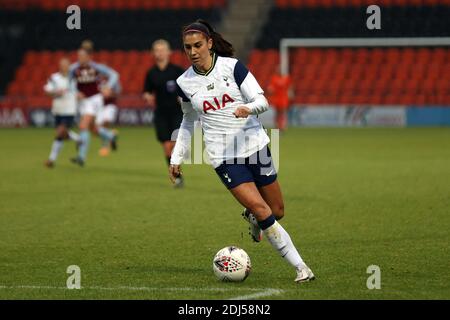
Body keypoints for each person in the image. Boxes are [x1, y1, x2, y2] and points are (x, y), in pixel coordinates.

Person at [169, 19, 315, 283]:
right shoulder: (184, 83)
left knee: (276, 210)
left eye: (198, 45)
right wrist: (177, 157)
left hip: (255, 147)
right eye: (187, 47)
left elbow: (262, 100)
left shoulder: (233, 67)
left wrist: (249, 108)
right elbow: (188, 121)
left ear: (210, 43)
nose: (192, 52)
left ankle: (253, 218)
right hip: (223, 157)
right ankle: (301, 267)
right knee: (263, 209)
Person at [143, 39, 185, 187]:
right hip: (160, 113)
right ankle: (177, 176)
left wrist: (183, 97)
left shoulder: (177, 71)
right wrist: (147, 96)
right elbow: (146, 91)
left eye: (162, 50)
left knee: (174, 144)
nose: (159, 53)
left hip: (176, 113)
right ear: (153, 53)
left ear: (169, 52)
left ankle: (177, 173)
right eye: (157, 50)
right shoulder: (151, 73)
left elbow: (188, 89)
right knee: (167, 146)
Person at [69, 47, 119, 166]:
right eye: (78, 56)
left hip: (95, 99)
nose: (80, 58)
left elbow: (114, 75)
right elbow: (69, 82)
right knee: (92, 129)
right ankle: (111, 136)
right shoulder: (74, 69)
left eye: (82, 56)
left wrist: (107, 86)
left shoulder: (96, 67)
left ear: (88, 57)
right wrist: (75, 91)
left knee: (83, 125)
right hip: (83, 101)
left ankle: (81, 157)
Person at [43, 57, 80, 168]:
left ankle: (51, 159)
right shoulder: (54, 78)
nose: (65, 67)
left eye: (67, 65)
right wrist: (55, 92)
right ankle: (78, 139)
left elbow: (77, 91)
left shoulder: (73, 78)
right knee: (61, 135)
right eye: (63, 65)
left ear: (69, 67)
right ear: (60, 66)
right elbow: (47, 91)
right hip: (58, 110)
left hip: (69, 109)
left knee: (60, 132)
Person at [96, 78, 121, 156]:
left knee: (106, 123)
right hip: (100, 106)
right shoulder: (96, 80)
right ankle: (111, 135)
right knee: (99, 128)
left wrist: (110, 93)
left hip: (110, 105)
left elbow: (118, 92)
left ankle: (105, 147)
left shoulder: (113, 80)